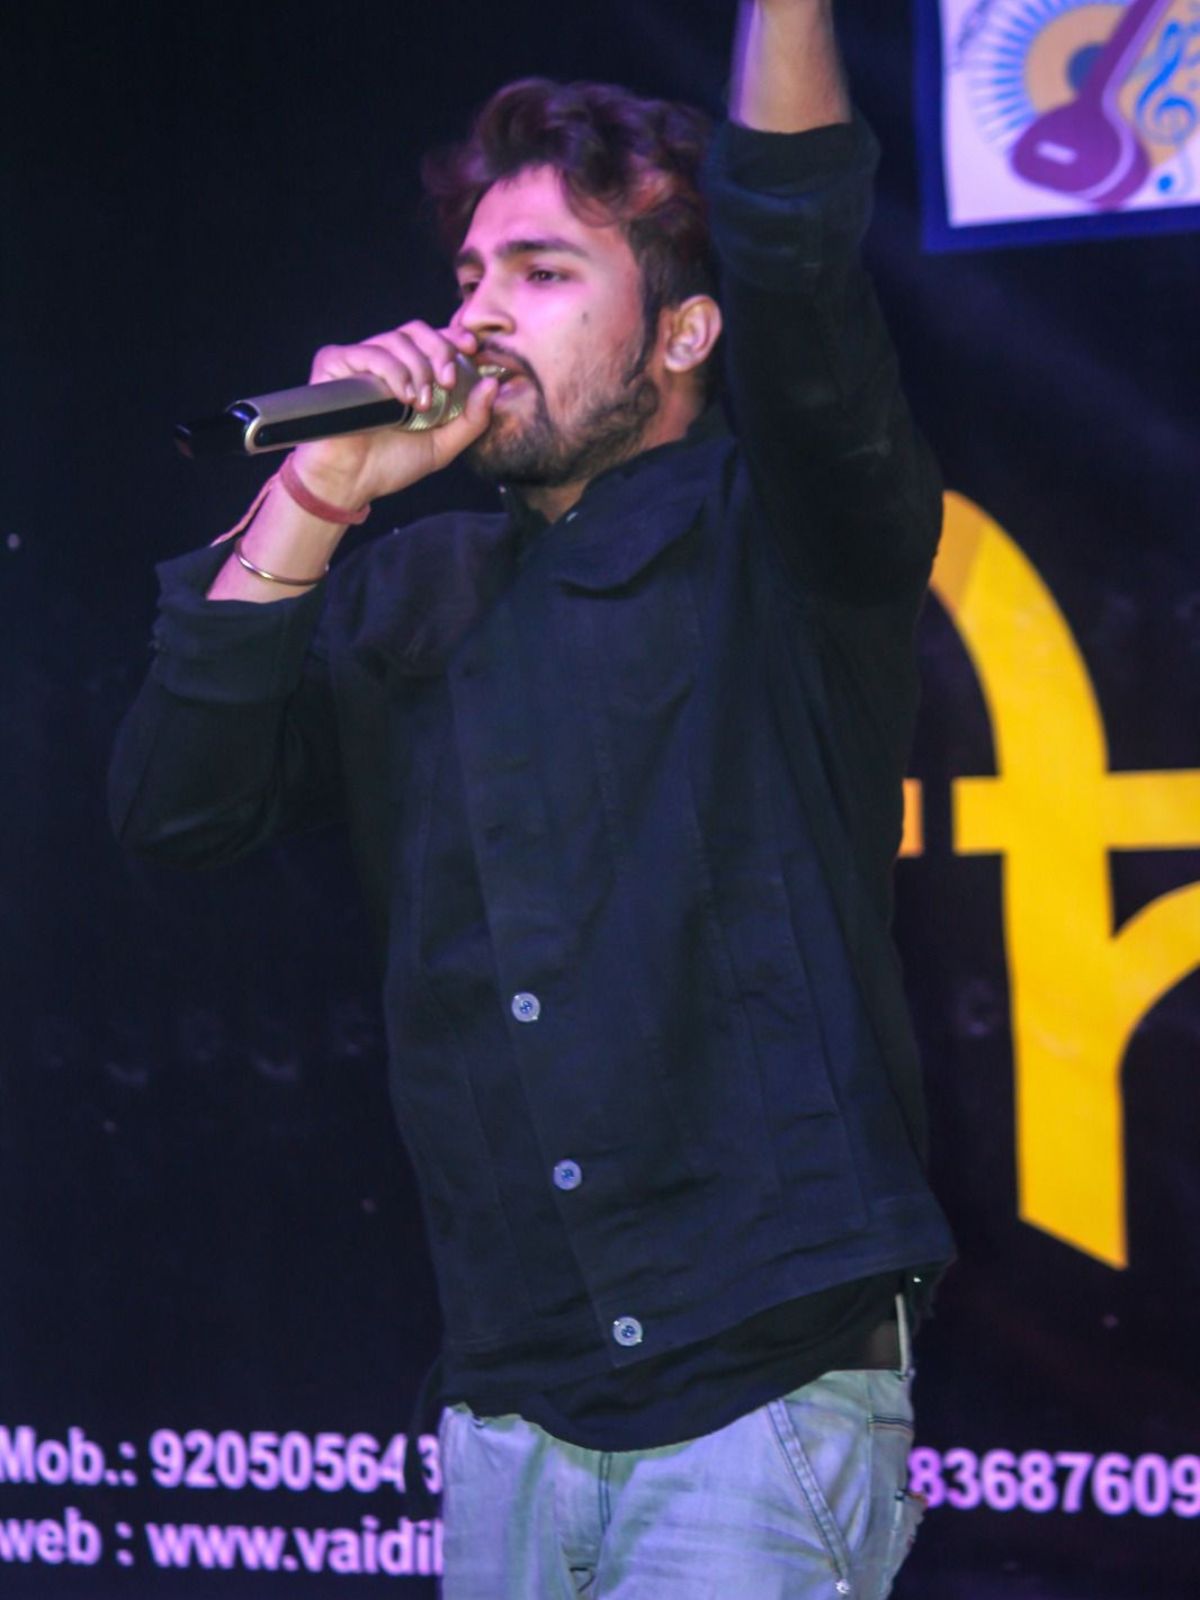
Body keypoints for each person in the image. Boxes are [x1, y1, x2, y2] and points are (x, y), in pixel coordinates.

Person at [110, 2, 954, 1594]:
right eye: (469, 276)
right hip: (507, 1413)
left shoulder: (787, 535)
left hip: (755, 1403)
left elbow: (790, 242)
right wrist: (312, 498)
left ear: (682, 336)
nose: (481, 315)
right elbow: (175, 805)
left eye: (546, 273)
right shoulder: (406, 588)